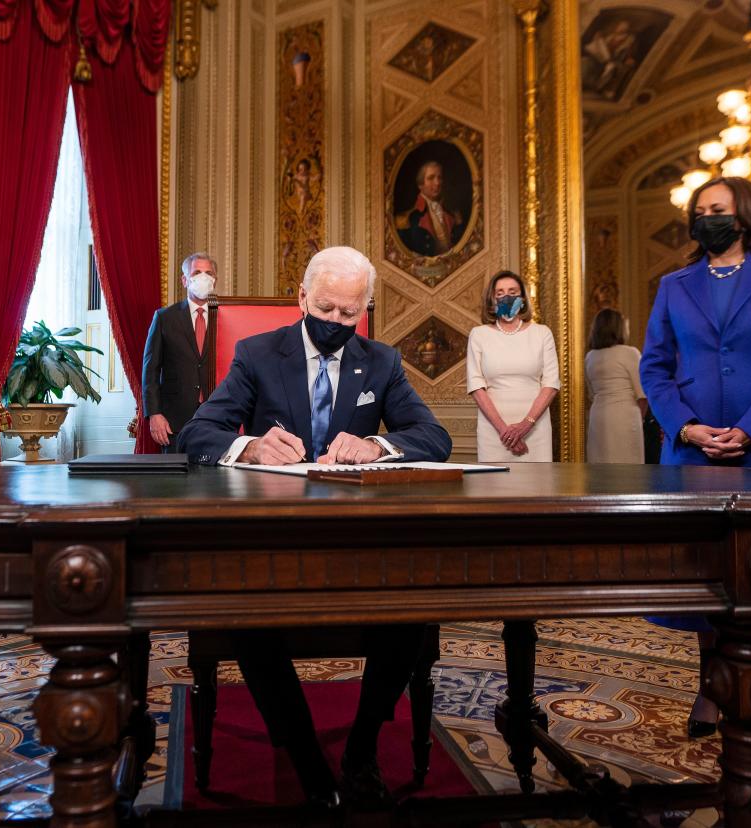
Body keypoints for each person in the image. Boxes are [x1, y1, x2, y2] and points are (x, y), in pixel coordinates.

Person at [178, 246, 450, 806]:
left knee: (412, 613)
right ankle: (305, 759)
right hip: (271, 543)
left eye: (350, 314)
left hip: (359, 543)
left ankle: (361, 749)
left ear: (364, 310)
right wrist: (249, 446)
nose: (335, 323)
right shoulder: (257, 354)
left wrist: (377, 444)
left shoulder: (381, 362)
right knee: (250, 621)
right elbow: (197, 433)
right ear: (302, 298)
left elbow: (434, 438)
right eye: (325, 308)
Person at [640, 176, 751, 736]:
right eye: (699, 212)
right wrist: (688, 427)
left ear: (742, 215)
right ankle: (711, 689)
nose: (705, 219)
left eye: (715, 209)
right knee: (707, 579)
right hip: (694, 455)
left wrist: (750, 430)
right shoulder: (675, 284)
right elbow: (655, 367)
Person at [465, 270, 559, 462]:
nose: (506, 297)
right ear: (491, 300)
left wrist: (526, 425)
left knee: (537, 488)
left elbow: (551, 384)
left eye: (512, 292)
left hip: (535, 429)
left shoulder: (542, 333)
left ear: (523, 298)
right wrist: (505, 431)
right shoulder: (479, 334)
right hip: (494, 431)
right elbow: (475, 386)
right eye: (499, 293)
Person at [141, 252, 216, 452]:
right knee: (175, 482)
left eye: (208, 273)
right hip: (174, 422)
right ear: (184, 280)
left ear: (214, 280)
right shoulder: (165, 318)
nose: (203, 277)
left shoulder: (226, 317)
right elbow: (151, 371)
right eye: (197, 272)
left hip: (217, 419)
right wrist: (154, 414)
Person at [585, 308, 646, 463]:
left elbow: (591, 394)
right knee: (628, 468)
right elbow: (643, 394)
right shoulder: (630, 353)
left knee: (601, 468)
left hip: (598, 416)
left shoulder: (590, 356)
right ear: (619, 328)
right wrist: (642, 419)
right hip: (624, 417)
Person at [397, 160, 464, 257]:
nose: (437, 183)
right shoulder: (407, 219)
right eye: (431, 178)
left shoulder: (453, 214)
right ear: (421, 184)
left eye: (439, 178)